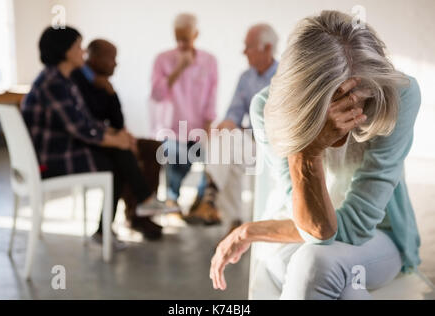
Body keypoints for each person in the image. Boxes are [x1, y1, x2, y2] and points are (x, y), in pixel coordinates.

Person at [210, 10, 421, 299]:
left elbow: (354, 227)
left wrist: (252, 230)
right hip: (297, 223)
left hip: (378, 236)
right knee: (335, 281)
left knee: (316, 263)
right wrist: (308, 149)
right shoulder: (266, 108)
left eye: (360, 106)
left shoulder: (400, 94)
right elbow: (313, 229)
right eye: (336, 109)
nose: (344, 132)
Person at [21, 27, 164, 246]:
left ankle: (132, 211)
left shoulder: (62, 79)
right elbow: (79, 127)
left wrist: (117, 135)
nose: (83, 52)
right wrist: (117, 139)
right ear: (66, 51)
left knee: (121, 152)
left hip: (60, 151)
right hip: (51, 160)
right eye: (79, 47)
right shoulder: (54, 83)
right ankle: (136, 207)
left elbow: (87, 121)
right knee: (118, 157)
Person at [71, 39, 174, 240]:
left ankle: (140, 212)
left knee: (153, 148)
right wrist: (118, 139)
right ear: (95, 58)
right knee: (122, 155)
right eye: (112, 58)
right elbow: (84, 124)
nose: (115, 63)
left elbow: (117, 121)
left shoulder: (102, 83)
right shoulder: (76, 79)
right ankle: (141, 207)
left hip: (105, 138)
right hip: (87, 145)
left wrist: (111, 93)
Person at [186, 24, 278, 231]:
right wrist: (227, 122)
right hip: (249, 143)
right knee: (224, 140)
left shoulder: (285, 76)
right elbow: (234, 113)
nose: (243, 51)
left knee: (228, 149)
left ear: (267, 47)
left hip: (274, 144)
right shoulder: (246, 78)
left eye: (249, 46)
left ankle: (210, 198)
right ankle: (233, 221)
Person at [150, 13, 217, 215]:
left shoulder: (209, 61)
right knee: (177, 157)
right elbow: (156, 95)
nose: (181, 42)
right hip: (171, 131)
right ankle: (173, 202)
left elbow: (212, 96)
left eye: (185, 38)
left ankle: (201, 202)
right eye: (177, 37)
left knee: (216, 158)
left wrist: (208, 129)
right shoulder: (163, 60)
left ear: (196, 34)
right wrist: (179, 69)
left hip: (199, 128)